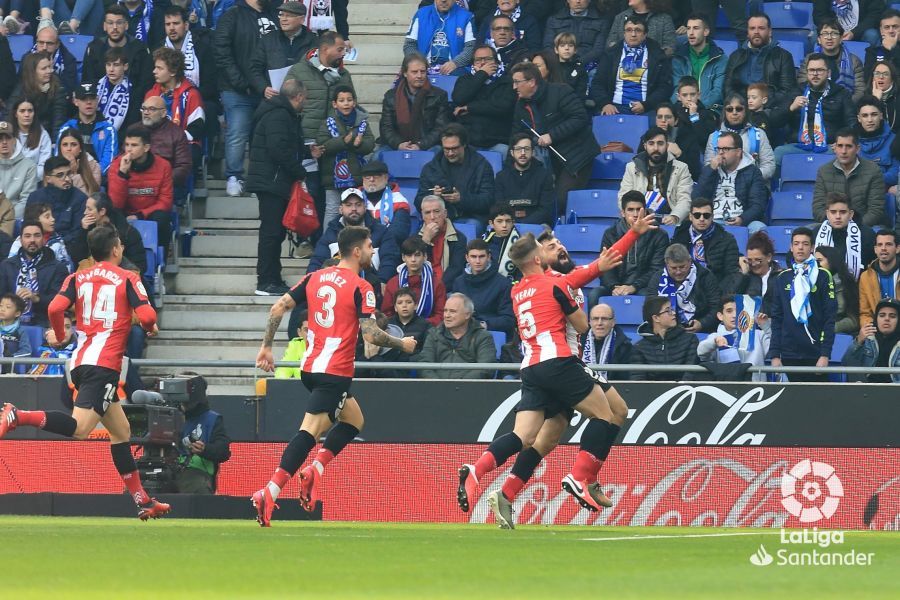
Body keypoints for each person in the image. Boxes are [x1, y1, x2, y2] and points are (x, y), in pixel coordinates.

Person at [455, 234, 633, 527]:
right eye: (549, 247)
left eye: (560, 243)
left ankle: (490, 480)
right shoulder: (558, 282)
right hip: (563, 362)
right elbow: (585, 314)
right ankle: (584, 477)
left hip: (533, 367)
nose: (559, 247)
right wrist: (633, 233)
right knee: (612, 411)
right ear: (539, 259)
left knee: (534, 439)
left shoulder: (519, 289)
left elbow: (591, 269)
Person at [0, 224, 169, 520]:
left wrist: (59, 335)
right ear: (115, 249)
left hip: (80, 361)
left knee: (121, 432)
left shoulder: (76, 277)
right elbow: (147, 315)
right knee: (80, 430)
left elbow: (55, 309)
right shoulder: (128, 277)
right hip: (103, 366)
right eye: (120, 245)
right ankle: (19, 415)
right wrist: (149, 326)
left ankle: (143, 501)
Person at [252, 226, 416, 525]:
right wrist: (401, 343)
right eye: (370, 246)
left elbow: (278, 307)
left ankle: (315, 470)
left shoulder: (314, 277)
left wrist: (266, 347)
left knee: (354, 421)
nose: (372, 251)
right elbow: (371, 334)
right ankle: (270, 491)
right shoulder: (361, 286)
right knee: (309, 432)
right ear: (356, 250)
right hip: (334, 371)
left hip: (310, 367)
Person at [244, 79, 309, 296]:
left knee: (275, 232)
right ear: (298, 96)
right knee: (271, 232)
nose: (305, 102)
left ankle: (273, 277)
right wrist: (299, 171)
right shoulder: (280, 115)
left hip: (273, 180)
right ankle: (265, 281)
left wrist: (307, 152)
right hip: (271, 181)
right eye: (305, 98)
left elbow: (283, 145)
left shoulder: (279, 113)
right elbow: (278, 149)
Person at [511, 61, 598, 213]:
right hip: (545, 160)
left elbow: (579, 117)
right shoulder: (521, 105)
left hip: (576, 157)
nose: (514, 87)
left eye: (517, 82)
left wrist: (552, 136)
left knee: (560, 200)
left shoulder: (560, 91)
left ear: (531, 82)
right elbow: (516, 134)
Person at [213, 0, 278, 197]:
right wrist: (240, 82)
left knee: (261, 137)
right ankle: (234, 176)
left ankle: (257, 180)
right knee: (237, 134)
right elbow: (221, 51)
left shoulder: (275, 14)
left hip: (267, 90)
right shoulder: (232, 15)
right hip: (237, 90)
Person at [768, 227, 838, 383]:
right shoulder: (782, 278)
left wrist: (825, 354)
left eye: (805, 244)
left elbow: (829, 318)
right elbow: (777, 318)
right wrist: (775, 354)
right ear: (791, 247)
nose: (800, 247)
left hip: (815, 352)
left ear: (812, 248)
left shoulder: (823, 276)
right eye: (796, 243)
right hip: (789, 352)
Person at [775, 53, 856, 166]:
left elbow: (851, 123)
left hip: (829, 146)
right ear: (807, 72)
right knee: (778, 153)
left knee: (845, 154)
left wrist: (841, 143)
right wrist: (791, 108)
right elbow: (775, 121)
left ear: (828, 73)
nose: (815, 74)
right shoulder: (796, 91)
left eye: (820, 70)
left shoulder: (841, 93)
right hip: (799, 145)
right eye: (811, 70)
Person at [307, 188, 401, 286]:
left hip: (372, 285)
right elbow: (317, 260)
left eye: (358, 204)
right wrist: (311, 283)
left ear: (365, 207)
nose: (354, 209)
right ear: (340, 209)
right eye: (348, 205)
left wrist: (382, 282)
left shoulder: (380, 231)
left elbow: (389, 259)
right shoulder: (331, 232)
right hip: (337, 286)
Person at [317, 85, 375, 230]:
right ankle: (329, 240)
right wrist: (343, 141)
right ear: (334, 104)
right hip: (332, 178)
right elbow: (323, 145)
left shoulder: (362, 123)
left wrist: (358, 144)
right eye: (342, 100)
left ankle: (357, 238)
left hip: (356, 176)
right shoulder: (327, 123)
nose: (346, 103)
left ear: (354, 102)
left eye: (349, 100)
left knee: (356, 210)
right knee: (332, 210)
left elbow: (370, 144)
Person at [592, 15, 673, 116]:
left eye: (638, 30)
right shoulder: (611, 54)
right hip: (614, 107)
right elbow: (597, 84)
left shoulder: (657, 55)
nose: (633, 34)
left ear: (645, 34)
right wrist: (605, 103)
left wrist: (646, 105)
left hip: (647, 108)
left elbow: (665, 87)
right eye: (629, 30)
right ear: (624, 33)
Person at [414, 124, 495, 224]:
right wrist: (433, 196)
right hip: (439, 218)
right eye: (446, 149)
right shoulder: (431, 168)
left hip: (471, 217)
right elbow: (418, 202)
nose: (450, 153)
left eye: (454, 148)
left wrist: (461, 199)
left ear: (464, 145)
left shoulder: (482, 166)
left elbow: (488, 201)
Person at [107, 124, 174, 243]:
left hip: (149, 214)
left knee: (162, 218)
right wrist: (122, 174)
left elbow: (165, 201)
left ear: (146, 147)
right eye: (127, 145)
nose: (129, 149)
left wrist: (140, 215)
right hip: (124, 213)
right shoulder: (117, 165)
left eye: (134, 145)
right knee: (111, 214)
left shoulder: (163, 166)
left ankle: (159, 254)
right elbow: (115, 204)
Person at [596, 190, 669, 299]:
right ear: (622, 213)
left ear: (645, 211)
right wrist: (614, 287)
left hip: (643, 287)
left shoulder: (659, 235)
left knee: (646, 296)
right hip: (615, 286)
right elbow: (605, 267)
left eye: (639, 209)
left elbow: (657, 270)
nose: (635, 214)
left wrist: (634, 286)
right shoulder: (610, 234)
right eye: (630, 210)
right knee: (595, 295)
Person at [693, 132, 768, 234]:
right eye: (718, 149)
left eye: (725, 149)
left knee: (759, 228)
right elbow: (696, 199)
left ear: (738, 152)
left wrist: (742, 219)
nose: (720, 153)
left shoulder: (753, 172)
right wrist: (710, 171)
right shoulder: (710, 170)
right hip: (713, 220)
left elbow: (758, 205)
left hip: (742, 220)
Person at [723, 13, 799, 112]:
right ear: (747, 32)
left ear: (770, 32)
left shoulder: (783, 56)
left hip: (770, 111)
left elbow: (787, 91)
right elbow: (728, 88)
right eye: (752, 28)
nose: (756, 32)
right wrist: (743, 105)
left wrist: (761, 105)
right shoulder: (736, 56)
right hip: (741, 110)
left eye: (761, 28)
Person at [618, 126, 693, 226]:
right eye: (651, 143)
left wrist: (675, 216)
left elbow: (685, 199)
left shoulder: (681, 168)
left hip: (670, 220)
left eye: (660, 143)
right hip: (640, 220)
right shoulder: (632, 167)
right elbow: (624, 197)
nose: (656, 148)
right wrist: (634, 216)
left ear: (667, 145)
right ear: (645, 146)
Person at [812, 128, 887, 227]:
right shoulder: (824, 171)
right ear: (834, 148)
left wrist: (854, 228)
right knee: (805, 232)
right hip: (832, 225)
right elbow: (818, 208)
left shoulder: (873, 170)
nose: (843, 151)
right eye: (840, 146)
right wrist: (836, 225)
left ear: (857, 149)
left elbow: (876, 210)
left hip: (862, 226)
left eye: (848, 146)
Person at [641, 242, 722, 333]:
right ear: (666, 264)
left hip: (701, 331)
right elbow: (649, 310)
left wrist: (702, 323)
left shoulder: (705, 277)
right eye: (674, 268)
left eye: (682, 267)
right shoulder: (657, 278)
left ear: (690, 261)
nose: (678, 272)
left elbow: (716, 307)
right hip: (667, 333)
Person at [378, 52, 451, 152]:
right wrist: (399, 144)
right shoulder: (391, 96)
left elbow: (441, 128)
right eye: (414, 72)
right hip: (398, 144)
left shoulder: (439, 95)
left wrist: (420, 145)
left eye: (423, 71)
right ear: (405, 73)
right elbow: (386, 127)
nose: (419, 75)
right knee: (378, 156)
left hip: (428, 146)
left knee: (437, 152)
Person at [0, 220, 68, 327]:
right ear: (20, 240)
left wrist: (37, 299)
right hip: (8, 324)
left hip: (44, 324)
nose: (32, 240)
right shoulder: (7, 265)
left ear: (44, 239)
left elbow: (60, 301)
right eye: (27, 236)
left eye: (37, 235)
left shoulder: (58, 268)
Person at [158, 5, 218, 125]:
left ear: (186, 25)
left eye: (176, 23)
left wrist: (185, 97)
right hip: (164, 102)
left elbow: (210, 86)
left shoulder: (202, 48)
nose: (171, 28)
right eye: (168, 24)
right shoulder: (158, 50)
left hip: (197, 101)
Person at [451, 44, 517, 153]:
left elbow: (503, 107)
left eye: (487, 59)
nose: (483, 63)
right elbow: (459, 99)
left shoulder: (507, 81)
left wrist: (469, 108)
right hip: (468, 141)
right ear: (473, 63)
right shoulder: (465, 80)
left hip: (497, 140)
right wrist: (482, 74)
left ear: (496, 62)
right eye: (478, 60)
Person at [415, 292, 497, 378]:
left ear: (467, 315)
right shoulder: (433, 335)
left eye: (452, 311)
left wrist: (460, 384)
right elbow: (424, 366)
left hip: (470, 385)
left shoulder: (483, 337)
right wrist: (438, 383)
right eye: (445, 311)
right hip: (436, 385)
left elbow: (485, 368)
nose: (447, 315)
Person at [248, 1, 318, 102]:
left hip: (303, 100)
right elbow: (254, 68)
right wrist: (263, 88)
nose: (283, 19)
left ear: (302, 19)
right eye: (281, 15)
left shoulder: (314, 42)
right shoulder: (268, 39)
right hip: (273, 99)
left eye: (289, 16)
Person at [173, 374, 231, 494]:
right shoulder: (167, 414)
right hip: (166, 468)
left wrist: (205, 449)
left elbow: (223, 451)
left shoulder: (212, 419)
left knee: (197, 486)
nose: (184, 405)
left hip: (195, 472)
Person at [81, 5, 153, 101]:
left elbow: (145, 84)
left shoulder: (140, 49)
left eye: (119, 23)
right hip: (99, 101)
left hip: (133, 101)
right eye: (110, 23)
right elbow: (87, 81)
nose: (114, 27)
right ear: (104, 26)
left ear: (126, 25)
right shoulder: (94, 48)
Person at [696, 295, 771, 382]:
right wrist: (715, 341)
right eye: (729, 311)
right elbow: (701, 352)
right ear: (720, 316)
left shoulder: (758, 335)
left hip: (756, 387)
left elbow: (775, 351)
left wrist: (766, 326)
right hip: (725, 387)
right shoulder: (715, 337)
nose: (735, 315)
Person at [145, 47, 206, 155]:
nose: (154, 71)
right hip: (154, 144)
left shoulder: (192, 95)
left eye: (159, 68)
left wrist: (171, 140)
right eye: (155, 67)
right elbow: (145, 124)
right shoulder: (151, 94)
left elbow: (195, 129)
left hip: (183, 145)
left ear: (173, 72)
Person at [67, 192, 146, 275]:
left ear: (102, 211)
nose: (85, 212)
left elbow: (140, 266)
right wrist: (83, 231)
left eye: (89, 209)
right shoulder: (87, 229)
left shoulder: (128, 233)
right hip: (92, 277)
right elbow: (76, 258)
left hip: (119, 277)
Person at [704, 93, 776, 182]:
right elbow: (708, 168)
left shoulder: (759, 134)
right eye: (730, 109)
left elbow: (769, 166)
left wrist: (749, 178)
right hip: (722, 186)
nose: (734, 113)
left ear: (745, 111)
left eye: (739, 109)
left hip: (752, 185)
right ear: (724, 112)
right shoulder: (713, 137)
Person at [450, 239, 515, 335]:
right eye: (473, 257)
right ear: (467, 258)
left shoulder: (503, 284)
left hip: (491, 334)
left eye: (481, 256)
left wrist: (485, 325)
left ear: (488, 257)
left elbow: (509, 319)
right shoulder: (458, 283)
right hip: (463, 334)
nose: (477, 261)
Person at [630, 294, 700, 380]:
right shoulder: (639, 347)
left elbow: (691, 373)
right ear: (656, 318)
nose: (674, 313)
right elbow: (638, 379)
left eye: (672, 309)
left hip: (684, 387)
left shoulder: (690, 339)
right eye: (668, 311)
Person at [382, 236, 446, 327]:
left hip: (428, 330)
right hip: (399, 330)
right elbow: (387, 314)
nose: (413, 260)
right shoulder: (393, 283)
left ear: (425, 257)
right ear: (403, 257)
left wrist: (420, 325)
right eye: (409, 255)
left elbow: (440, 315)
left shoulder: (436, 284)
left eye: (417, 255)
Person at [493, 133, 555, 226]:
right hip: (509, 226)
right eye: (518, 149)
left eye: (526, 149)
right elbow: (499, 208)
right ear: (512, 153)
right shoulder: (501, 177)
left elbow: (546, 210)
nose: (522, 153)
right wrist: (513, 225)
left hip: (536, 225)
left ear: (533, 152)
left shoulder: (544, 175)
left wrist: (523, 225)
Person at [25, 154, 87, 246]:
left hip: (68, 246)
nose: (67, 179)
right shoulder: (35, 197)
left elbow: (77, 234)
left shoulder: (80, 198)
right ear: (48, 179)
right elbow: (28, 227)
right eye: (60, 175)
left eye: (68, 174)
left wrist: (56, 243)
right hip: (38, 245)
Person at [814, 191, 877, 281]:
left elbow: (874, 265)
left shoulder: (867, 234)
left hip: (858, 287)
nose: (838, 216)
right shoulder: (816, 233)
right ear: (827, 214)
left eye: (843, 212)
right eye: (833, 212)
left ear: (851, 214)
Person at [800, 18, 866, 102]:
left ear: (841, 38)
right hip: (815, 104)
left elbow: (860, 91)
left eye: (834, 34)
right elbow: (802, 84)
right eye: (825, 34)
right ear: (819, 39)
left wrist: (844, 104)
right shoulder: (809, 59)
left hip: (845, 105)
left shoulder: (854, 61)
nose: (829, 37)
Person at [57, 83, 118, 175]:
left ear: (97, 100)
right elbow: (58, 157)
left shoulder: (109, 130)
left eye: (92, 98)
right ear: (75, 101)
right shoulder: (66, 128)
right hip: (69, 176)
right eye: (84, 99)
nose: (89, 102)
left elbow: (109, 162)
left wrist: (91, 177)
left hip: (97, 178)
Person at [404, 0, 476, 75]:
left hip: (455, 69)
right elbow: (409, 45)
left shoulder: (466, 17)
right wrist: (420, 63)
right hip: (423, 69)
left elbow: (471, 47)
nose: (443, 0)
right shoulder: (421, 14)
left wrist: (455, 63)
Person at [670, 13, 726, 110]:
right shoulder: (678, 58)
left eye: (696, 28)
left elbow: (717, 92)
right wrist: (685, 109)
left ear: (706, 32)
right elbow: (676, 89)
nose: (691, 33)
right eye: (688, 28)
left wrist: (698, 108)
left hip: (709, 110)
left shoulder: (720, 59)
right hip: (683, 109)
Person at [10, 51, 68, 140]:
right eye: (44, 68)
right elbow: (9, 114)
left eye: (49, 67)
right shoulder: (21, 88)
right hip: (22, 136)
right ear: (32, 72)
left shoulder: (58, 89)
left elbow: (58, 120)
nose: (49, 71)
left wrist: (55, 143)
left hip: (47, 137)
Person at [842, 297, 900, 382]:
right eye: (882, 315)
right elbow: (846, 362)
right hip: (867, 388)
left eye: (892, 316)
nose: (887, 319)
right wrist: (859, 341)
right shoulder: (867, 337)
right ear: (876, 318)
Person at [140, 95, 192, 188]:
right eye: (144, 109)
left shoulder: (176, 133)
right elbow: (122, 158)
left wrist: (160, 181)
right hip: (136, 184)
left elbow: (183, 166)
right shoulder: (135, 130)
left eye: (152, 109)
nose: (146, 112)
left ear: (163, 113)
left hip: (165, 185)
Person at [359, 160, 412, 246]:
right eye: (367, 176)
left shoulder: (399, 200)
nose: (371, 179)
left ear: (386, 178)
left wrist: (369, 244)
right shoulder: (354, 199)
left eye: (376, 175)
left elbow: (398, 234)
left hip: (388, 249)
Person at [543, 0, 609, 67]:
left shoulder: (601, 22)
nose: (578, 1)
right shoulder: (554, 20)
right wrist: (560, 62)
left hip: (588, 65)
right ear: (568, 0)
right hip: (559, 64)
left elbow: (598, 50)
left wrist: (579, 63)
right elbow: (548, 46)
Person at [8, 201, 72, 271]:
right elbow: (10, 267)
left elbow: (67, 267)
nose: (53, 219)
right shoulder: (19, 242)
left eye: (52, 216)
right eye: (47, 217)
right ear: (35, 220)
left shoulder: (57, 241)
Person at [736, 230, 785, 315]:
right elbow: (732, 301)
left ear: (769, 257)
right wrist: (743, 275)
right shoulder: (745, 276)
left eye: (758, 260)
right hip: (749, 322)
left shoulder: (781, 277)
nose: (753, 264)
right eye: (750, 260)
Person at [581, 303, 634, 381]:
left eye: (604, 319)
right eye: (595, 319)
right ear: (590, 322)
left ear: (613, 322)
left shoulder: (625, 347)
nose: (599, 323)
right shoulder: (578, 343)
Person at [815, 244, 861, 334]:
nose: (816, 265)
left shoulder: (847, 284)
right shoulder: (808, 284)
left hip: (839, 334)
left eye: (819, 261)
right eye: (813, 261)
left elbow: (854, 320)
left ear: (832, 261)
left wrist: (830, 328)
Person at [857, 95, 899, 189]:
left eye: (874, 114)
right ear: (859, 118)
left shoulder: (894, 140)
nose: (870, 120)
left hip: (884, 188)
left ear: (881, 116)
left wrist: (872, 179)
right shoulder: (852, 141)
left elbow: (896, 173)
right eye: (865, 115)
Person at [859, 229, 900, 327]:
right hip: (877, 329)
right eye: (880, 245)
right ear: (875, 249)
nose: (883, 248)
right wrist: (871, 330)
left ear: (897, 248)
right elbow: (865, 313)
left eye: (888, 244)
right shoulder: (865, 277)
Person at [26, 19, 80, 92]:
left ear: (57, 44)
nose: (44, 47)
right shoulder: (27, 58)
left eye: (49, 43)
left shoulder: (68, 60)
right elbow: (21, 86)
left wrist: (51, 71)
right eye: (41, 42)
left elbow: (68, 90)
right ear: (36, 42)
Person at [96, 47, 142, 132]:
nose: (111, 69)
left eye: (116, 65)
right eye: (108, 65)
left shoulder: (133, 92)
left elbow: (132, 122)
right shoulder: (96, 86)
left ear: (125, 66)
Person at [606, 0, 676, 55]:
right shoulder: (620, 17)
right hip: (622, 64)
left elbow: (670, 47)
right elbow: (610, 43)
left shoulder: (664, 19)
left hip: (653, 65)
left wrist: (648, 57)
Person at [0, 120, 38, 220]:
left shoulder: (29, 166)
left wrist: (5, 218)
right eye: (0, 138)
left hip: (16, 220)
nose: (4, 142)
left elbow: (26, 200)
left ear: (14, 140)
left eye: (8, 138)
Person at [654, 101, 702, 180]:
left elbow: (694, 173)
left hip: (680, 182)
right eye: (659, 117)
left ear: (676, 120)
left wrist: (679, 155)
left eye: (668, 117)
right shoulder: (648, 139)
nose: (663, 120)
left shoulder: (689, 139)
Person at [813, 0, 884, 48]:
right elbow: (819, 16)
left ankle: (869, 62)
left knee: (872, 35)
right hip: (832, 31)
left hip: (860, 32)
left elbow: (875, 16)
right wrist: (834, 31)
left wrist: (854, 32)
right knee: (815, 36)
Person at [10, 98, 51, 180]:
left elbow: (44, 165)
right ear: (15, 114)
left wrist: (28, 179)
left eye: (30, 111)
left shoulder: (43, 135)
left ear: (34, 113)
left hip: (35, 181)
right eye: (22, 111)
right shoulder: (8, 134)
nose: (27, 115)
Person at [386, 287, 431, 359]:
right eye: (400, 303)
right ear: (395, 308)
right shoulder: (388, 324)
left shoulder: (426, 325)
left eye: (409, 302)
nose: (404, 305)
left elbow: (427, 352)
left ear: (415, 306)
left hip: (415, 363)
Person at [482, 202, 522, 280]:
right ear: (491, 223)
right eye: (499, 221)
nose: (504, 225)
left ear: (513, 223)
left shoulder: (520, 245)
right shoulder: (484, 242)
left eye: (508, 221)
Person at [863, 9, 900, 80]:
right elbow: (868, 78)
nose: (891, 31)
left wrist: (893, 49)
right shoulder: (872, 51)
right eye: (887, 27)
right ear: (881, 31)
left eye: (895, 27)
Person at [0, 293, 32, 371]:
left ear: (17, 313)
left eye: (8, 307)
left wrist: (9, 358)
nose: (2, 309)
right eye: (1, 306)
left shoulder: (20, 331)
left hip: (10, 366)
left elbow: (26, 352)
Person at [554, 33, 588, 102]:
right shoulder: (551, 66)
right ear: (556, 50)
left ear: (575, 50)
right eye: (562, 45)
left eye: (570, 45)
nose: (567, 48)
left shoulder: (580, 68)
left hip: (573, 104)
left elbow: (581, 95)